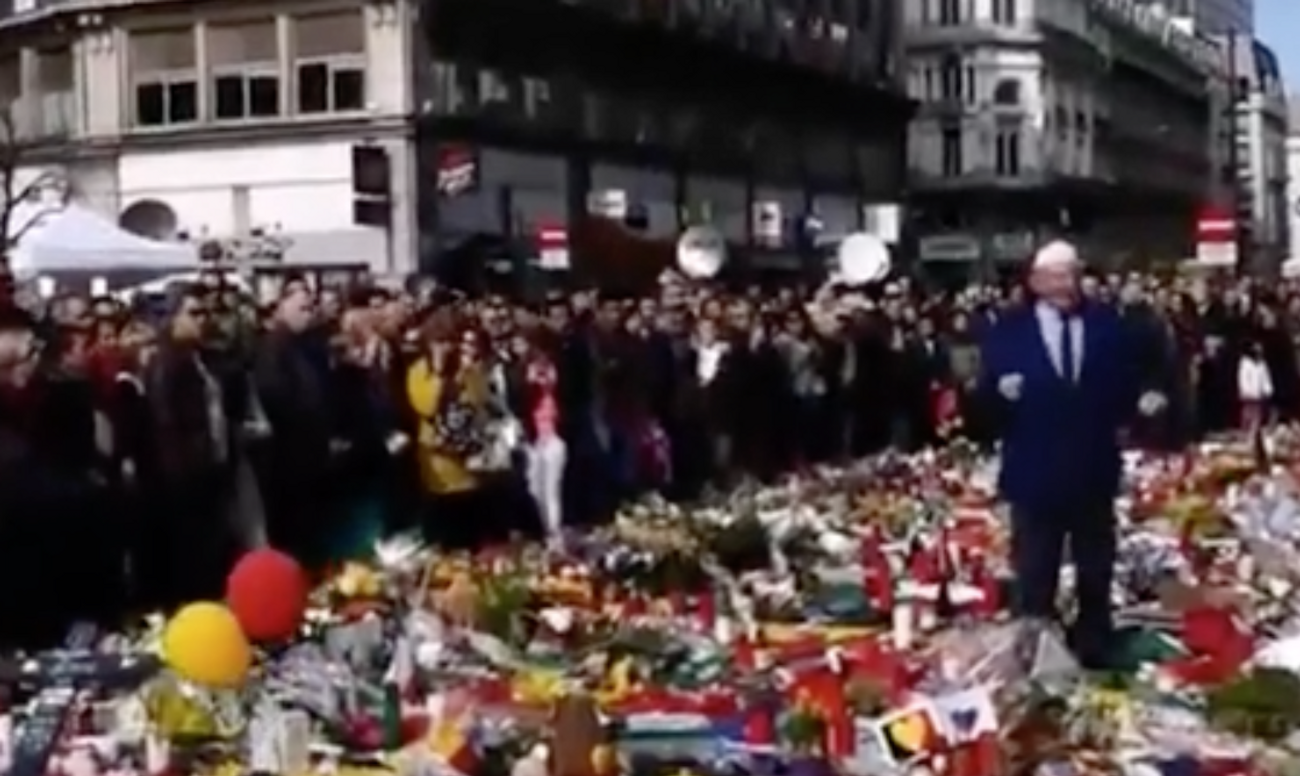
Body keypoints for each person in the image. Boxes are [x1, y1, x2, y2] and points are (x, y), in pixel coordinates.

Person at [978, 240, 1163, 669]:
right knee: (1035, 573)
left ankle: (1095, 645)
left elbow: (1128, 381)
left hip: (1092, 468)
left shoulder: (1106, 325)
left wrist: (1145, 401)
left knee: (1095, 570)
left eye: (1073, 274)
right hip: (1034, 473)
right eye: (1057, 275)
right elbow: (982, 401)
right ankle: (1035, 652)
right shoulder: (1008, 330)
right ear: (1036, 281)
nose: (1067, 284)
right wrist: (999, 395)